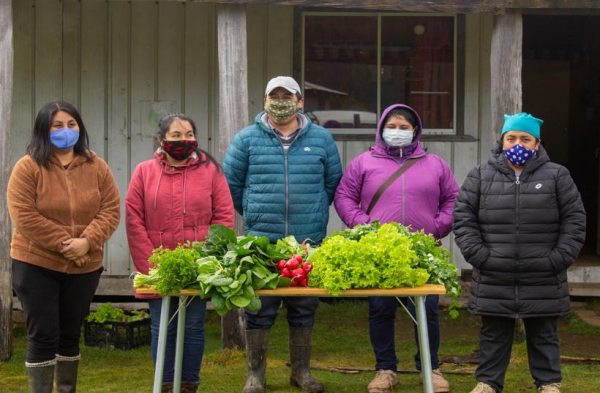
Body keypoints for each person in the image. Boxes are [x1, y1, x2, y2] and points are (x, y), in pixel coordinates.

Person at [223, 76, 342, 393]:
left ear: (300, 101)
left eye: (286, 95)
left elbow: (332, 184)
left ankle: (301, 373)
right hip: (262, 240)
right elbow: (231, 186)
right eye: (273, 95)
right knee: (259, 308)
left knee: (304, 308)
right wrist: (253, 211)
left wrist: (313, 210)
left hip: (306, 241)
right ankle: (255, 376)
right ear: (264, 101)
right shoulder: (246, 139)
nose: (280, 100)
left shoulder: (321, 140)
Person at [453, 113, 586, 393]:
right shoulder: (480, 175)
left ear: (537, 144)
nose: (518, 143)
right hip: (494, 271)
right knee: (493, 332)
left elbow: (574, 220)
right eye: (511, 138)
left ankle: (548, 383)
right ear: (501, 141)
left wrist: (557, 258)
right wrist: (481, 257)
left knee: (544, 332)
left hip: (543, 272)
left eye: (526, 139)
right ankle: (488, 382)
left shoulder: (557, 175)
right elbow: (464, 219)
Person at [334, 104, 458, 393]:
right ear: (381, 128)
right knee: (380, 309)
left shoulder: (435, 164)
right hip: (378, 251)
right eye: (392, 126)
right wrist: (364, 226)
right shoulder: (364, 162)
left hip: (422, 249)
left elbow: (452, 199)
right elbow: (344, 197)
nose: (397, 132)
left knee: (427, 310)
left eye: (404, 127)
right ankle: (385, 369)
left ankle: (431, 367)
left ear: (415, 131)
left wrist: (437, 227)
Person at [7, 101, 121, 393]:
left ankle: (66, 389)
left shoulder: (97, 166)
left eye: (71, 124)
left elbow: (111, 209)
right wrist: (66, 244)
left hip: (85, 265)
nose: (65, 131)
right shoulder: (28, 166)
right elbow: (24, 215)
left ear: (79, 128)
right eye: (57, 125)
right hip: (36, 264)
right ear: (43, 129)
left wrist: (87, 242)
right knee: (43, 335)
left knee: (70, 335)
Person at [125, 113, 234, 393]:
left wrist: (208, 259)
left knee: (194, 327)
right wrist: (152, 266)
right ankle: (164, 382)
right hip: (157, 267)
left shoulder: (211, 172)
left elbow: (223, 217)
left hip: (197, 266)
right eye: (176, 135)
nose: (183, 140)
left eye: (188, 134)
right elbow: (134, 219)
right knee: (163, 327)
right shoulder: (144, 172)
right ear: (162, 140)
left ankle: (188, 385)